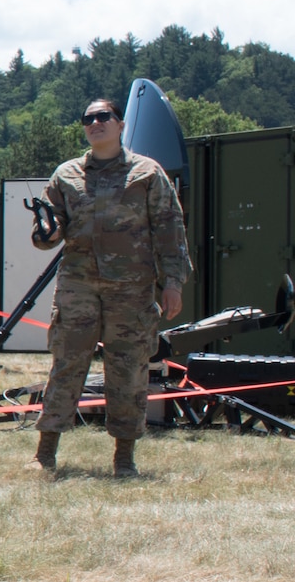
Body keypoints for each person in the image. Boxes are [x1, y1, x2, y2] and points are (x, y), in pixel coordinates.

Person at [27, 97, 189, 476]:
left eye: (105, 117)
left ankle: (124, 459)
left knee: (129, 369)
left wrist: (173, 283)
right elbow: (47, 233)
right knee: (66, 365)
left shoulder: (147, 173)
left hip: (131, 290)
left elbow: (170, 229)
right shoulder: (65, 175)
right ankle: (45, 453)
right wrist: (44, 232)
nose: (96, 123)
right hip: (78, 286)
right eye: (89, 118)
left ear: (120, 125)